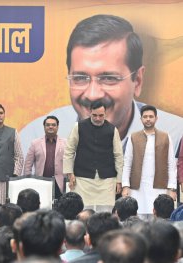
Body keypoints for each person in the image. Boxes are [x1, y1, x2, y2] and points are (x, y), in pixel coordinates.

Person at [20, 14, 183, 157]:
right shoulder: (34, 136)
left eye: (108, 78)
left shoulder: (175, 135)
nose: (92, 94)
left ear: (138, 81)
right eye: (80, 77)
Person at [63, 101, 123, 212]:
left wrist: (119, 180)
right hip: (82, 178)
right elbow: (69, 151)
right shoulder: (78, 127)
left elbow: (118, 156)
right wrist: (69, 173)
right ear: (90, 112)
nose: (97, 118)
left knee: (106, 212)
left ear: (105, 114)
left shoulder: (112, 130)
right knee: (82, 211)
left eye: (101, 115)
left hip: (107, 179)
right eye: (94, 115)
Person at [122, 105, 176, 219]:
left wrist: (171, 188)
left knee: (157, 219)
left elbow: (171, 164)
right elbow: (127, 163)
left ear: (156, 118)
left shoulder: (165, 137)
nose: (148, 119)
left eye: (151, 116)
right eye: (145, 116)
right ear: (141, 119)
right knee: (138, 218)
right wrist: (125, 186)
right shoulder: (133, 137)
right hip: (137, 188)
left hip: (159, 187)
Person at [24, 116, 66, 197]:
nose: (50, 127)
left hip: (60, 183)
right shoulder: (35, 143)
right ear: (44, 127)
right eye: (48, 125)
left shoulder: (65, 143)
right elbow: (28, 164)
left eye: (53, 125)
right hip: (41, 181)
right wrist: (28, 180)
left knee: (59, 207)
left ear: (57, 127)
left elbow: (70, 162)